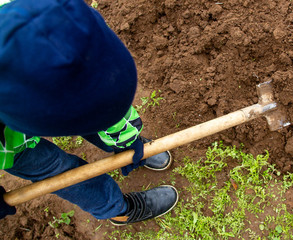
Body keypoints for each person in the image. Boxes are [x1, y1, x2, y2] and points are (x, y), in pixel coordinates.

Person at [0, 0, 178, 225]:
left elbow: (97, 90)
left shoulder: (49, 13)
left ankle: (120, 144)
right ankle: (118, 210)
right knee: (56, 169)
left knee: (94, 109)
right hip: (5, 146)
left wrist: (125, 138)